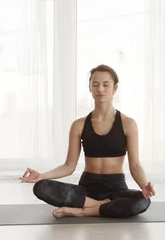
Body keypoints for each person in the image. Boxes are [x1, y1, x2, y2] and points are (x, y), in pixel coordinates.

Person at [19, 64, 155, 218]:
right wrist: (42, 176)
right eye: (95, 84)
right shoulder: (79, 125)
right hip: (87, 189)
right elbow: (69, 166)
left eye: (106, 84)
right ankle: (104, 206)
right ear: (90, 88)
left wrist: (144, 186)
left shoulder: (128, 124)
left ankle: (83, 211)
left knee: (143, 202)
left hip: (116, 188)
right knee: (41, 187)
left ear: (114, 88)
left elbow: (135, 165)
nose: (100, 89)